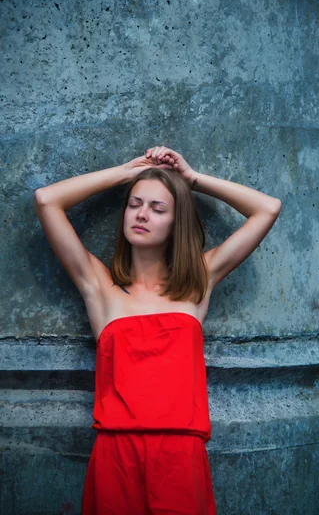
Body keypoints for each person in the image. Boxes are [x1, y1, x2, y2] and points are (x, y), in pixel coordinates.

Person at [34, 145, 282, 514]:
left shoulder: (199, 280)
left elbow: (267, 208)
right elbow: (46, 199)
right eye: (134, 204)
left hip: (180, 457)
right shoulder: (100, 287)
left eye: (157, 207)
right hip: (115, 454)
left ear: (175, 221)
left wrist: (193, 179)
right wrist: (126, 172)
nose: (141, 214)